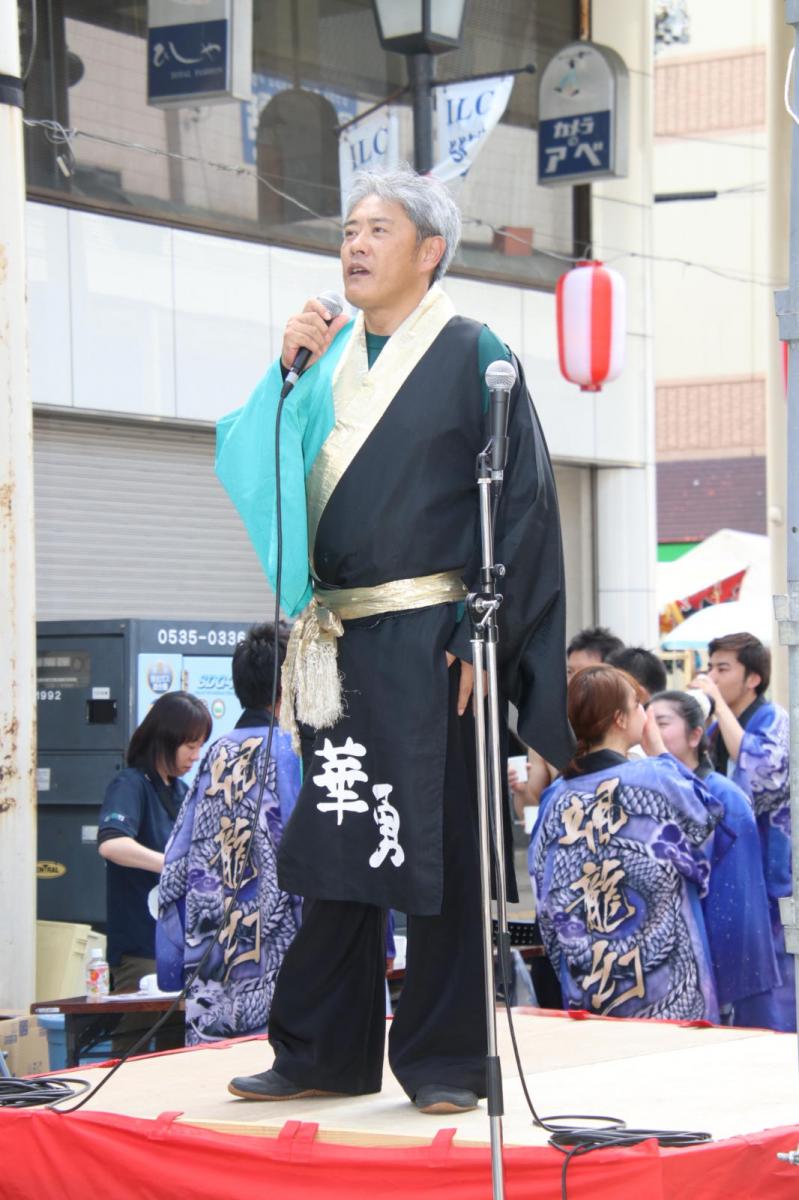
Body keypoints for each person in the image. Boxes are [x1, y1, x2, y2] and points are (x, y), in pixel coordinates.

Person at [216, 164, 573, 1114]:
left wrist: (478, 628)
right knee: (339, 835)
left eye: (377, 230)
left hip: (434, 638)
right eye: (347, 230)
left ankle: (446, 1059)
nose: (355, 245)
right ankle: (319, 1051)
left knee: (440, 845)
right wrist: (284, 373)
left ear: (429, 251)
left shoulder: (475, 351)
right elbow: (260, 460)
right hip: (338, 634)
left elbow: (521, 501)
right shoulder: (326, 355)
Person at [529, 665, 720, 1021]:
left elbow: (545, 896)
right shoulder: (655, 777)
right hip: (668, 988)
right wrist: (659, 750)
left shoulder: (556, 797)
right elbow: (705, 821)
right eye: (638, 705)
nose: (645, 714)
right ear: (620, 718)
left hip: (591, 983)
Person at [157, 624, 301, 1045]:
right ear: (289, 685)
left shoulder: (215, 755)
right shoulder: (293, 753)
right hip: (285, 978)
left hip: (212, 982)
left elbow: (174, 867)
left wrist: (174, 954)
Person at [648, 689, 780, 1026]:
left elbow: (738, 904)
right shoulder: (647, 791)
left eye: (661, 722)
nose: (650, 732)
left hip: (714, 965)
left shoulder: (724, 796)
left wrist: (717, 983)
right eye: (647, 722)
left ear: (695, 735)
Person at [690, 632, 795, 1031]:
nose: (713, 677)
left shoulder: (774, 719)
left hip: (774, 875)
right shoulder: (716, 730)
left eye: (723, 669)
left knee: (777, 987)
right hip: (734, 872)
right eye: (710, 668)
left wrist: (716, 704)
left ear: (753, 678)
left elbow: (764, 775)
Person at [97, 691, 212, 1052]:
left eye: (200, 747)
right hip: (141, 949)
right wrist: (171, 866)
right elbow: (112, 844)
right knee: (133, 1050)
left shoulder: (181, 791)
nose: (196, 756)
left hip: (180, 948)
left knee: (174, 1050)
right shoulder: (131, 785)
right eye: (190, 746)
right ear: (165, 739)